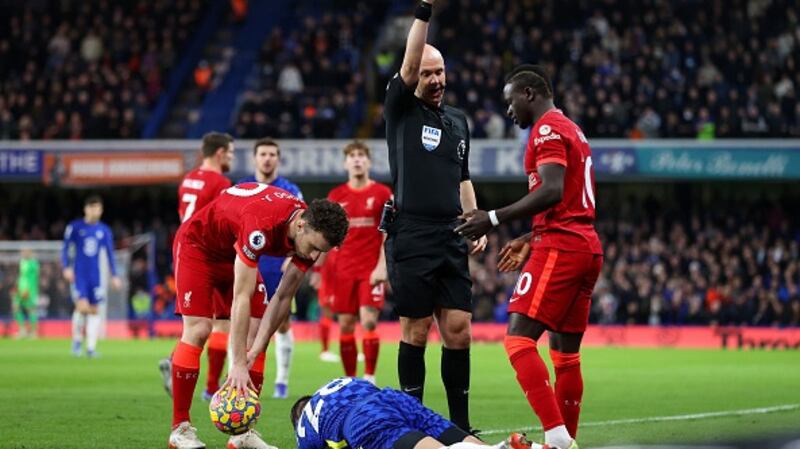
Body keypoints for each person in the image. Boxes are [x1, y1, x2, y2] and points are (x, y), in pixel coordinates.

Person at [455, 65, 603, 449]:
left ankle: (556, 439)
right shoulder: (572, 128)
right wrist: (529, 235)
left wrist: (491, 218)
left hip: (562, 246)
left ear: (529, 95)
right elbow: (567, 198)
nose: (508, 111)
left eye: (510, 101)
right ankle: (565, 439)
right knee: (565, 355)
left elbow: (552, 191)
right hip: (584, 244)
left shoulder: (548, 129)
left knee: (518, 341)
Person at [167, 182, 348, 449]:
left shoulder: (310, 237)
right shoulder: (260, 226)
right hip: (198, 248)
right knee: (199, 329)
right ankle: (179, 429)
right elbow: (241, 297)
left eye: (320, 251)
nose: (312, 255)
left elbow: (283, 297)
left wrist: (256, 349)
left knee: (256, 333)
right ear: (301, 226)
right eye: (312, 247)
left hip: (233, 251)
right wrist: (238, 362)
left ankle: (242, 434)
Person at [382, 0, 487, 433]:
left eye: (440, 72)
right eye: (427, 73)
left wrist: (474, 218)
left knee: (459, 330)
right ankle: (415, 425)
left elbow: (462, 176)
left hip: (450, 235)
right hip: (411, 233)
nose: (435, 79)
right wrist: (424, 11)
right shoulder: (401, 109)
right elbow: (408, 66)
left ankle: (458, 428)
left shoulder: (459, 121)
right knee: (417, 332)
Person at [237, 137, 326, 400]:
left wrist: (292, 259)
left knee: (282, 323)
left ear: (278, 158)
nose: (267, 158)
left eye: (272, 154)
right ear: (255, 158)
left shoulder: (290, 189)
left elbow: (304, 228)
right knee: (245, 324)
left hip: (280, 266)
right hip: (250, 264)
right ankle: (241, 374)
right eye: (263, 154)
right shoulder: (244, 187)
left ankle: (282, 381)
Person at [159, 131, 235, 400]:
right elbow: (222, 222)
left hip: (184, 251)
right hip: (208, 253)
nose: (232, 157)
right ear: (219, 153)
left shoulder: (188, 179)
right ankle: (211, 388)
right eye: (231, 152)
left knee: (196, 323)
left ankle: (175, 360)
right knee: (221, 324)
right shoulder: (220, 182)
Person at [291, 377, 528, 449]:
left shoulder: (305, 426)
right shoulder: (337, 383)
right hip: (391, 398)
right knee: (459, 439)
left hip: (362, 417)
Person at [324, 141, 392, 383]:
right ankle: (351, 380)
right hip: (343, 270)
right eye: (352, 156)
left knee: (369, 320)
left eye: (361, 155)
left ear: (369, 161)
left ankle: (370, 377)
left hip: (370, 270)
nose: (357, 160)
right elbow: (328, 236)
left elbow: (388, 233)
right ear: (345, 163)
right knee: (345, 325)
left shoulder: (383, 194)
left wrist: (382, 266)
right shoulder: (336, 196)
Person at [62, 195, 122, 357]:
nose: (96, 211)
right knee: (82, 307)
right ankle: (76, 342)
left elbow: (109, 254)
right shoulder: (75, 227)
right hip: (79, 274)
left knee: (95, 310)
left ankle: (90, 348)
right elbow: (66, 248)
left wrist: (114, 275)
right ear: (86, 209)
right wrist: (66, 267)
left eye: (99, 208)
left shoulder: (104, 230)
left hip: (95, 275)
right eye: (93, 207)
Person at [13, 248, 40, 338]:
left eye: (26, 252)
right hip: (20, 289)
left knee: (30, 309)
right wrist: (16, 287)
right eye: (23, 252)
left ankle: (33, 332)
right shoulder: (22, 262)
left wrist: (29, 290)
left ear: (30, 253)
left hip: (29, 290)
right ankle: (22, 330)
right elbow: (21, 276)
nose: (24, 253)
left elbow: (34, 278)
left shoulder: (33, 264)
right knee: (16, 308)